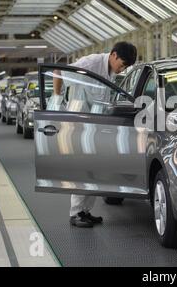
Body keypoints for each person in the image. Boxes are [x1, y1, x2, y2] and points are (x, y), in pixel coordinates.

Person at [53, 42, 137, 228]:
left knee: (95, 170)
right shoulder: (89, 65)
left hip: (96, 125)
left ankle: (85, 211)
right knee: (84, 168)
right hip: (79, 123)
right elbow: (58, 72)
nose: (122, 69)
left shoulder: (112, 70)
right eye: (122, 64)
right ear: (114, 55)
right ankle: (75, 213)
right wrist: (56, 100)